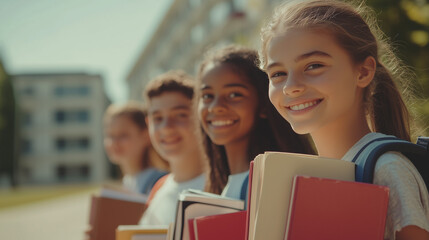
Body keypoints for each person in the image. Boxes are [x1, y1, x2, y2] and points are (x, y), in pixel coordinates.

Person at [260, 0, 429, 239]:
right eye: (277, 73)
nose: (291, 87)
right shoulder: (307, 179)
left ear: (363, 72)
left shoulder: (387, 168)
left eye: (314, 65)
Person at [196, 45, 315, 200]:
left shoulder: (272, 185)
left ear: (263, 104)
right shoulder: (220, 188)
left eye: (234, 94)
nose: (216, 107)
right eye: (207, 96)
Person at [139, 70, 206, 226]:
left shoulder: (222, 187)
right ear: (149, 124)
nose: (166, 127)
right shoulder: (158, 188)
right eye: (158, 118)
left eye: (180, 115)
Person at [103, 102, 169, 194]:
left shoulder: (161, 183)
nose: (114, 142)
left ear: (146, 136)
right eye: (110, 135)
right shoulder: (128, 182)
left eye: (123, 135)